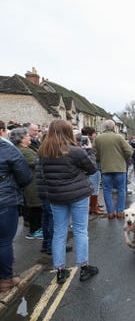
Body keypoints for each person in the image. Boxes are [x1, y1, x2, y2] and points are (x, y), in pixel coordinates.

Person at [37, 119, 99, 284]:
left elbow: (43, 175)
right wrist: (90, 151)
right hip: (78, 195)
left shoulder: (43, 152)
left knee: (59, 233)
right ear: (68, 132)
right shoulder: (75, 151)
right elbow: (92, 169)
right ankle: (84, 268)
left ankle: (60, 271)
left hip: (56, 196)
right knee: (80, 231)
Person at [0, 120, 32, 293]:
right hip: (5, 201)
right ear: (2, 131)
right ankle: (5, 279)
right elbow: (25, 176)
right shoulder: (7, 149)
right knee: (4, 241)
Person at [94, 120, 133, 220]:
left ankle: (110, 213)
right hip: (120, 168)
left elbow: (95, 154)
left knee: (107, 190)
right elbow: (129, 151)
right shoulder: (119, 137)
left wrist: (101, 159)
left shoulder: (98, 138)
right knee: (121, 190)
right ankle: (120, 212)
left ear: (104, 127)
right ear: (114, 127)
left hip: (105, 168)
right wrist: (123, 158)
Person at [10, 127, 43, 239]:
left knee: (36, 208)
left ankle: (37, 229)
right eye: (27, 136)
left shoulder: (26, 148)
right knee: (35, 208)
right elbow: (37, 161)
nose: (30, 137)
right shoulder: (22, 150)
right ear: (21, 139)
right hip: (31, 184)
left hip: (34, 182)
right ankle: (34, 231)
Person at [81, 126, 104, 216]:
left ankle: (94, 206)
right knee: (95, 187)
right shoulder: (92, 142)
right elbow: (95, 155)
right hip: (95, 167)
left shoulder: (81, 142)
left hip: (88, 168)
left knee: (93, 187)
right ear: (90, 134)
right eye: (94, 133)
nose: (96, 135)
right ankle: (93, 208)